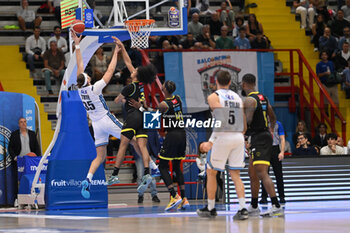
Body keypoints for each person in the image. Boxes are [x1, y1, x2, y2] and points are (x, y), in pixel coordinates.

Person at [71, 31, 141, 199]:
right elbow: (110, 71)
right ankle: (151, 165)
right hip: (105, 119)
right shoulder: (94, 88)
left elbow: (80, 66)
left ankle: (87, 178)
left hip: (96, 124)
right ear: (88, 80)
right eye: (88, 76)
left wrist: (77, 45)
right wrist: (115, 53)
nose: (88, 74)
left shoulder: (80, 90)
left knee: (100, 156)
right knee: (132, 138)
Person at [197, 70, 249, 220]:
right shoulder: (238, 98)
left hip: (222, 136)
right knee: (236, 175)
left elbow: (221, 118)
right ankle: (242, 208)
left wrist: (211, 141)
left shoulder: (214, 96)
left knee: (211, 172)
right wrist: (240, 136)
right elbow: (244, 125)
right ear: (229, 82)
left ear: (216, 82)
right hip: (238, 136)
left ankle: (211, 208)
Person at [108, 39, 157, 196]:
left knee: (123, 145)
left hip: (132, 117)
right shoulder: (142, 86)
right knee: (143, 147)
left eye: (135, 70)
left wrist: (121, 98)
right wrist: (122, 48)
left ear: (136, 74)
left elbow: (116, 100)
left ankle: (115, 174)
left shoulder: (130, 86)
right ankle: (148, 172)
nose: (133, 69)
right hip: (142, 117)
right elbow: (129, 63)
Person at [241, 73, 284, 217]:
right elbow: (272, 116)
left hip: (258, 137)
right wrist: (271, 129)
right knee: (252, 173)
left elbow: (247, 121)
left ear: (244, 84)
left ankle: (276, 204)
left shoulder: (249, 100)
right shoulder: (263, 98)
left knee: (261, 172)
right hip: (262, 136)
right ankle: (254, 205)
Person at [154, 81, 190, 211]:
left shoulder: (164, 104)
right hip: (182, 134)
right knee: (176, 166)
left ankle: (174, 195)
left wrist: (141, 107)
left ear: (164, 89)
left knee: (162, 165)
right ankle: (184, 198)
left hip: (172, 135)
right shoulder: (178, 98)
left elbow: (153, 115)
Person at [260, 121, 286, 205]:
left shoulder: (278, 124)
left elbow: (282, 138)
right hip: (265, 149)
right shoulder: (262, 123)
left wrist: (282, 152)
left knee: (278, 174)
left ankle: (282, 196)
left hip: (275, 149)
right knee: (264, 174)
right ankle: (264, 197)